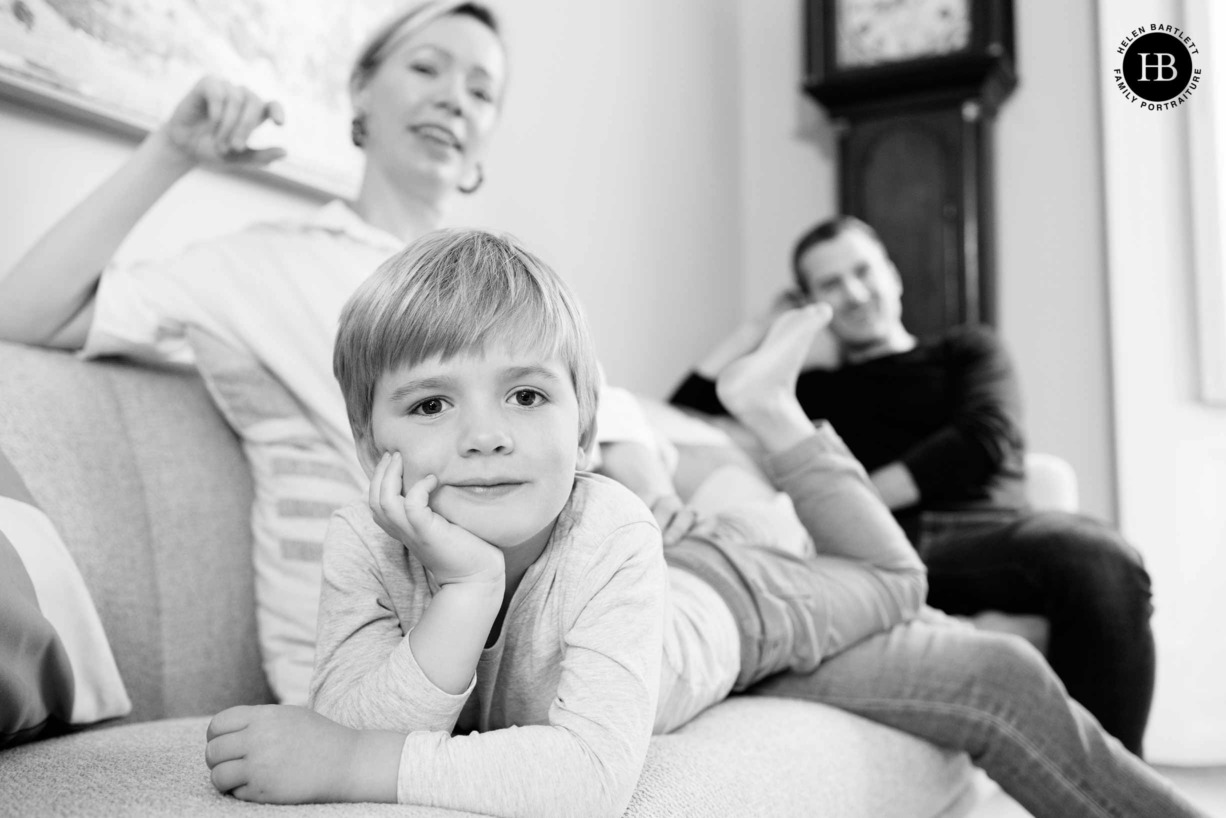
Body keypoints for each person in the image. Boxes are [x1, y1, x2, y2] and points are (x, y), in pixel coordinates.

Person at [205, 228, 1204, 818]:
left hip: (738, 600)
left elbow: (580, 771)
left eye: (522, 396)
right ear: (365, 438)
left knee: (905, 589)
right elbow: (353, 708)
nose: (481, 438)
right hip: (679, 576)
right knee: (978, 654)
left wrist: (353, 762)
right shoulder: (365, 539)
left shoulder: (605, 525)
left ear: (584, 422)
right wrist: (463, 593)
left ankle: (769, 409)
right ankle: (757, 403)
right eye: (429, 405)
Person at [670, 214, 1157, 757]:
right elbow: (685, 409)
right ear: (812, 304)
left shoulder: (966, 351)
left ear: (893, 274)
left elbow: (984, 438)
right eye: (831, 284)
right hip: (896, 550)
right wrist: (760, 326)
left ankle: (1114, 780)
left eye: (863, 271)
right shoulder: (814, 390)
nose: (854, 293)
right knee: (1088, 553)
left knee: (1100, 557)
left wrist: (853, 498)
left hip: (1001, 536)